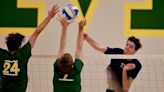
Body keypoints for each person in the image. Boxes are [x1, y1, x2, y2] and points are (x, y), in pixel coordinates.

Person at [0, 4, 59, 92]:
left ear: (7, 44)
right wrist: (49, 17)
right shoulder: (23, 54)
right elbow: (36, 33)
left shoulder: (2, 55)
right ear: (19, 45)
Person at [53, 15, 86, 92]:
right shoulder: (76, 69)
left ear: (60, 64)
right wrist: (81, 29)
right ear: (72, 66)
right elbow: (79, 49)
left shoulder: (57, 68)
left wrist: (64, 27)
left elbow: (62, 48)